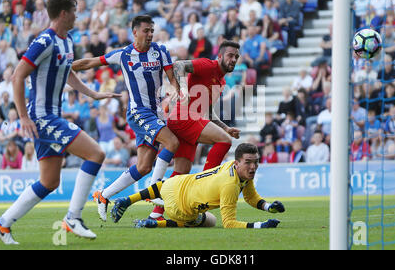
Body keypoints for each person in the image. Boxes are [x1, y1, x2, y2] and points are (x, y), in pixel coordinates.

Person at [0, 0, 121, 245]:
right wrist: (24, 117)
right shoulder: (44, 41)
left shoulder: (67, 41)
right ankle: (73, 217)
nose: (76, 14)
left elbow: (67, 72)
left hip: (50, 116)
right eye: (74, 10)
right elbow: (18, 76)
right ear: (63, 13)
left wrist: (91, 93)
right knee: (96, 153)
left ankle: (2, 224)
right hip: (42, 118)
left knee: (49, 181)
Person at [71, 15, 180, 222]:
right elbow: (90, 62)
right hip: (138, 112)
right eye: (146, 30)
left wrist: (177, 91)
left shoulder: (161, 51)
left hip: (156, 113)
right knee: (172, 142)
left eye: (152, 31)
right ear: (135, 32)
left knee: (143, 166)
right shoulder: (123, 54)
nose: (150, 34)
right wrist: (62, 67)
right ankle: (155, 189)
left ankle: (103, 195)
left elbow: (172, 78)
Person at [144, 40, 242, 220]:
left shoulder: (221, 81)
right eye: (230, 55)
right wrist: (182, 89)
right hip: (184, 116)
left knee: (181, 171)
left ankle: (155, 214)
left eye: (236, 56)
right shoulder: (207, 65)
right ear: (219, 56)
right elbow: (179, 65)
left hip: (188, 121)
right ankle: (205, 188)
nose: (234, 59)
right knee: (224, 142)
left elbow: (208, 112)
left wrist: (225, 127)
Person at [111, 143, 285, 229]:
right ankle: (157, 224)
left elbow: (250, 196)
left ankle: (127, 200)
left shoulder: (235, 168)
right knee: (210, 221)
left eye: (256, 162)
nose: (253, 167)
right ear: (238, 163)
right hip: (179, 209)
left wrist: (268, 207)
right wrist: (261, 225)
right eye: (248, 162)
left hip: (176, 184)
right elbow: (229, 223)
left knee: (164, 185)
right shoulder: (230, 185)